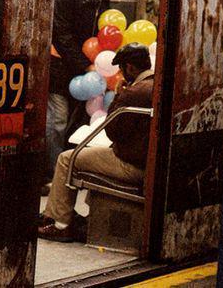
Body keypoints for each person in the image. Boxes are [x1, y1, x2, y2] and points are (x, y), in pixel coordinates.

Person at [39, 43, 154, 242]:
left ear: (130, 68)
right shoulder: (155, 86)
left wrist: (119, 95)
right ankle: (69, 215)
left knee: (67, 159)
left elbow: (112, 130)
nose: (120, 73)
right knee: (89, 156)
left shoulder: (133, 92)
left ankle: (60, 223)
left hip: (130, 165)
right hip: (144, 162)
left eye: (122, 69)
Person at [45, 0, 122, 183]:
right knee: (57, 121)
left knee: (75, 122)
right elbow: (61, 36)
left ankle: (71, 170)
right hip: (60, 66)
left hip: (86, 71)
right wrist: (86, 65)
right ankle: (53, 175)